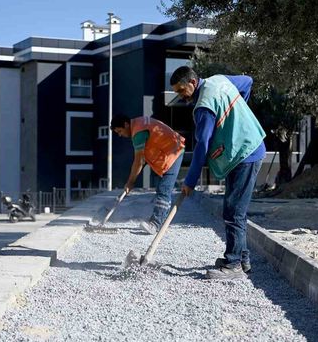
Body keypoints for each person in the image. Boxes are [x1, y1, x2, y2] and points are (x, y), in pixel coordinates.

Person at [170, 66, 266, 280]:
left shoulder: (204, 107)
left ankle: (233, 266)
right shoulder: (219, 80)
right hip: (244, 150)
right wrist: (237, 117)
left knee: (233, 211)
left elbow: (202, 146)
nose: (180, 95)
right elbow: (248, 81)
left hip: (245, 153)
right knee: (234, 208)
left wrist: (190, 181)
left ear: (192, 83)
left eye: (181, 90)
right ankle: (242, 258)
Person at [110, 114, 185, 234]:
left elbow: (139, 160)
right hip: (171, 151)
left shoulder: (138, 132)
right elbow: (143, 159)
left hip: (173, 152)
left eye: (120, 131)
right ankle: (160, 220)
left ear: (125, 124)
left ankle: (155, 224)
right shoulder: (139, 124)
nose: (120, 135)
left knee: (163, 189)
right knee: (162, 189)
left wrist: (130, 182)